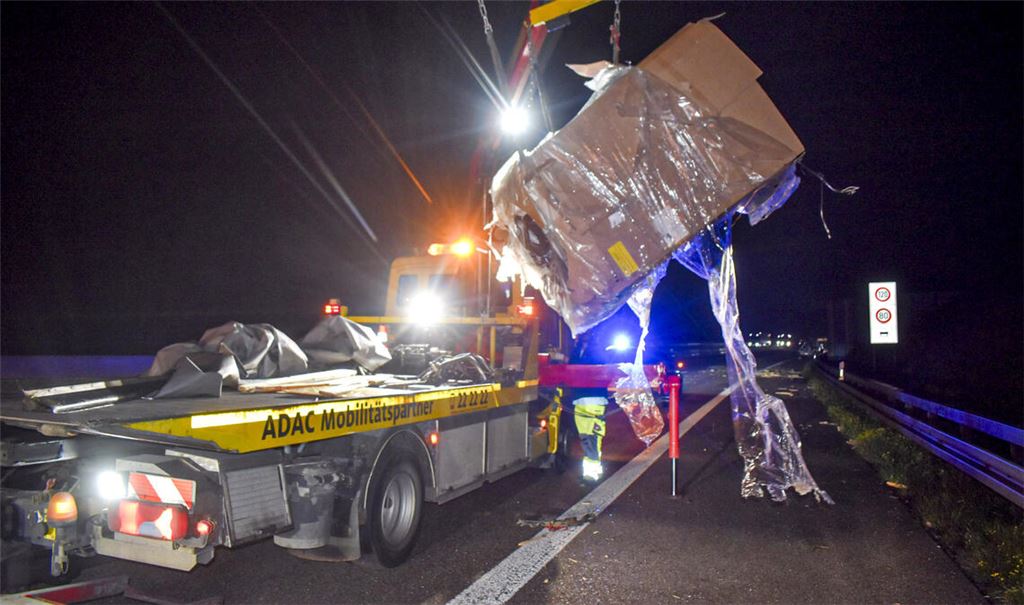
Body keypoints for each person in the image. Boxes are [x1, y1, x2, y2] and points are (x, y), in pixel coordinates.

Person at [572, 388, 608, 481]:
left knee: (590, 439)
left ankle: (592, 474)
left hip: (586, 402)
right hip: (588, 402)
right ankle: (593, 473)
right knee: (590, 439)